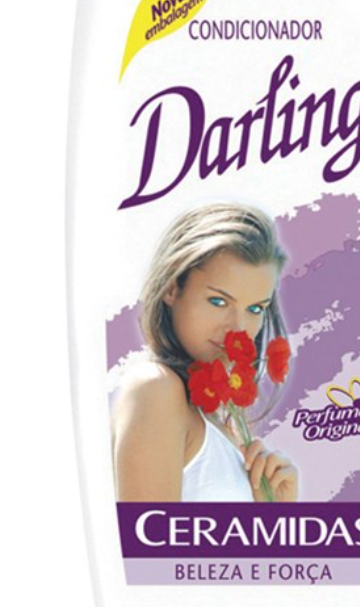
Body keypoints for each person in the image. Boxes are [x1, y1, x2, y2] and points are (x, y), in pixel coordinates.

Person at [113, 202, 298, 503]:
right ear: (172, 288)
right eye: (218, 301)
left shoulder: (218, 424)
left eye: (255, 309)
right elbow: (148, 534)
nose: (238, 329)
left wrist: (274, 516)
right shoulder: (156, 388)